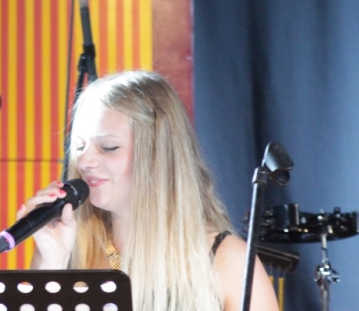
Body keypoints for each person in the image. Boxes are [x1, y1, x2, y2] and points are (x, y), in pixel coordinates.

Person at [23, 71, 278, 311]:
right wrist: (52, 263)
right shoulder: (69, 249)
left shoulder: (228, 260)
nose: (84, 161)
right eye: (80, 147)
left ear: (157, 155)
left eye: (109, 147)